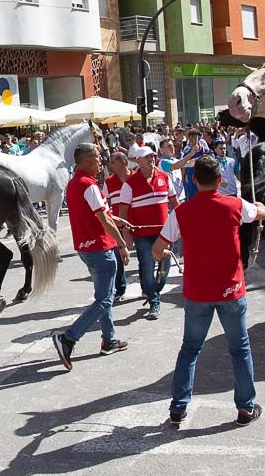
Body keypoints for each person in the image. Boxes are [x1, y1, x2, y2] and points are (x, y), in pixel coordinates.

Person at [153, 156, 265, 428]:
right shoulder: (235, 205)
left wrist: (164, 253)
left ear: (194, 180)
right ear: (220, 180)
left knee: (190, 349)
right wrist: (261, 206)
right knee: (240, 349)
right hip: (231, 290)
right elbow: (259, 214)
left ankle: (178, 408)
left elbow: (157, 249)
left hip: (198, 293)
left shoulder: (181, 212)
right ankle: (245, 408)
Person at [51, 143, 131, 370]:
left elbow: (98, 214)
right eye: (97, 157)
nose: (101, 161)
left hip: (86, 247)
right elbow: (103, 219)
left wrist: (116, 220)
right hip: (99, 247)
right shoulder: (89, 185)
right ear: (86, 161)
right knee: (105, 299)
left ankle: (109, 339)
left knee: (103, 295)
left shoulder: (75, 183)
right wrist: (122, 244)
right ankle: (69, 338)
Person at [117, 145, 178, 319]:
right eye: (147, 157)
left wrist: (183, 222)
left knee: (165, 266)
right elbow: (123, 211)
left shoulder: (164, 177)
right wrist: (126, 234)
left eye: (152, 156)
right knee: (147, 267)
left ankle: (154, 292)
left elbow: (175, 202)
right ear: (138, 160)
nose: (151, 159)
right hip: (142, 235)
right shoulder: (130, 184)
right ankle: (154, 300)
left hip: (165, 233)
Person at [104, 151, 131, 301]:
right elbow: (106, 203)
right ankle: (120, 288)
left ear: (124, 162)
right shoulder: (108, 181)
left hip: (135, 224)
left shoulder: (136, 177)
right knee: (118, 257)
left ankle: (147, 288)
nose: (110, 165)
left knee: (143, 257)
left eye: (113, 162)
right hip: (117, 225)